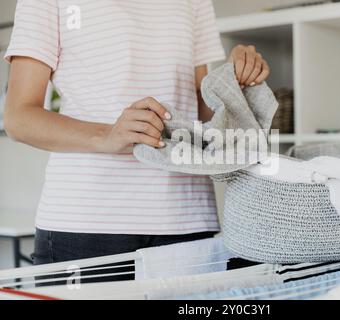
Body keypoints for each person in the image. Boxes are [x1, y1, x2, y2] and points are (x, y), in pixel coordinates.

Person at [3, 0, 270, 281]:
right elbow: (19, 118)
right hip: (85, 225)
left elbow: (201, 114)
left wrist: (233, 78)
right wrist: (108, 135)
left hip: (186, 221)